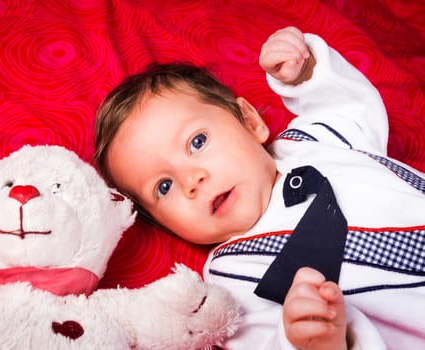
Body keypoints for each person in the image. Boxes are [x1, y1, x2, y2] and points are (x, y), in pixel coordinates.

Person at [94, 26, 425, 350]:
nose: (191, 180)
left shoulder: (309, 141)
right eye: (164, 187)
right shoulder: (232, 273)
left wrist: (304, 73)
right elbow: (260, 339)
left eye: (197, 142)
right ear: (161, 222)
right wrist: (305, 339)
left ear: (251, 122)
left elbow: (351, 109)